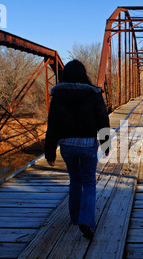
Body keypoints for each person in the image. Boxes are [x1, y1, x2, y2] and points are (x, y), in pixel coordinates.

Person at [45, 59, 110, 239]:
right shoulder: (94, 94)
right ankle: (87, 221)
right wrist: (105, 144)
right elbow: (103, 120)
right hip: (88, 144)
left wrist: (49, 150)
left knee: (75, 180)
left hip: (67, 146)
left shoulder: (58, 96)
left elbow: (53, 125)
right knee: (89, 183)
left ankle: (74, 217)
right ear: (84, 74)